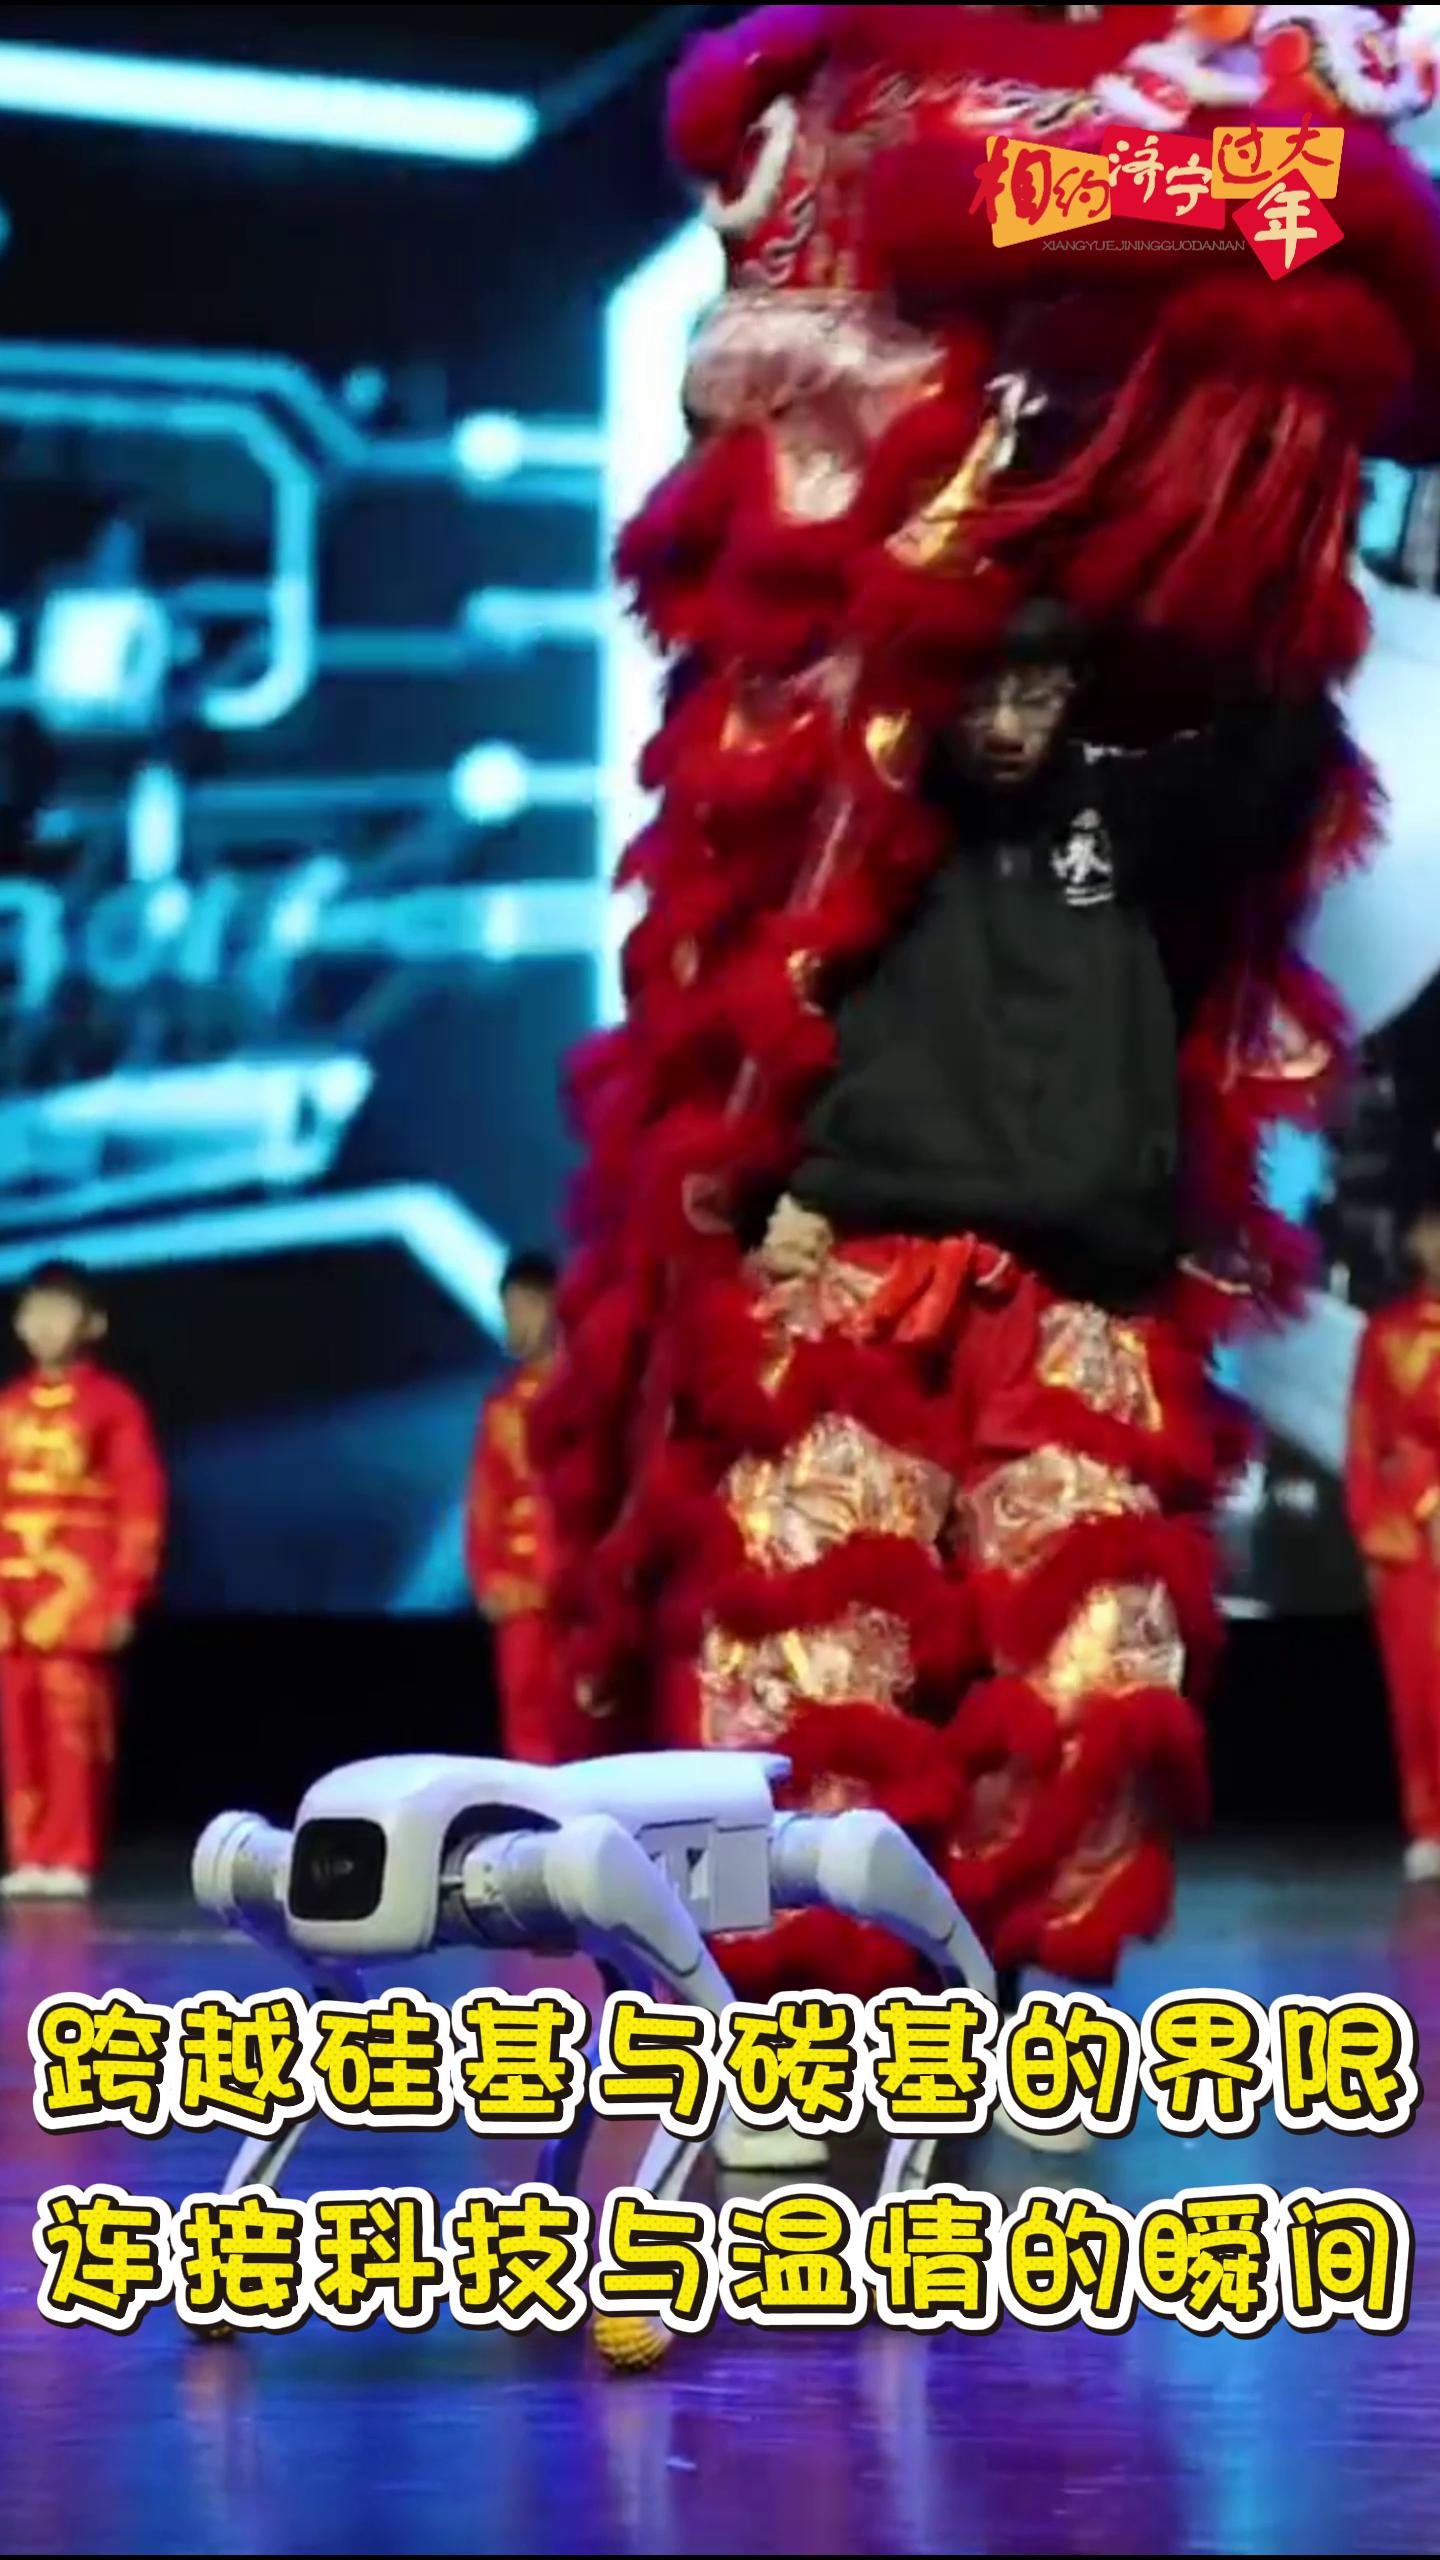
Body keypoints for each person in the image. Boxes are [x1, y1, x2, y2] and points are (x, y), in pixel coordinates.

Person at [538, 2, 1440, 2003]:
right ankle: (796, 2008)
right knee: (807, 1621)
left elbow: (1342, 280)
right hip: (847, 1226)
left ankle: (1028, 2007)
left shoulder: (1164, 792)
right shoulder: (841, 762)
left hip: (1083, 1253)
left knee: (1093, 1657)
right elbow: (955, 207)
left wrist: (1293, 213)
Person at [0, 1260, 165, 1898]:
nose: (45, 1326)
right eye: (33, 1312)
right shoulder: (9, 1407)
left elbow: (139, 1503)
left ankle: (70, 1851)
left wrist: (126, 1592)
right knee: (19, 1728)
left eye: (60, 1312)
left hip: (76, 1593)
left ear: (92, 1324)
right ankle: (29, 1853)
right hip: (12, 1593)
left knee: (72, 1727)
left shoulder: (112, 1406)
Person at [1345, 1201, 1440, 1880]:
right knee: (1417, 1686)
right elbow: (1363, 1440)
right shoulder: (1387, 1333)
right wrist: (1373, 1528)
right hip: (1405, 1534)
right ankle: (1429, 1822)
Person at [467, 1252, 587, 1764]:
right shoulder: (501, 1408)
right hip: (521, 1602)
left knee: (584, 1722)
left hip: (578, 1600)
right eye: (507, 1311)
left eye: (520, 1309)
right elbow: (484, 1503)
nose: (512, 1323)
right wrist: (490, 1579)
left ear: (549, 1306)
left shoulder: (586, 1396)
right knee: (527, 1724)